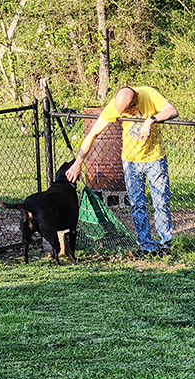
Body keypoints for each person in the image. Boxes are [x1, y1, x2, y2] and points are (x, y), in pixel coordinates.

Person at [66, 86, 179, 256]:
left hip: (155, 159)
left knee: (161, 202)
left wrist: (150, 120)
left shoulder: (148, 95)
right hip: (131, 162)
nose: (124, 114)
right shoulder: (116, 106)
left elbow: (173, 111)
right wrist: (78, 163)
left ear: (134, 102)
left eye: (127, 111)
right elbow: (92, 134)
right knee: (137, 204)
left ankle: (165, 246)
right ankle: (146, 246)